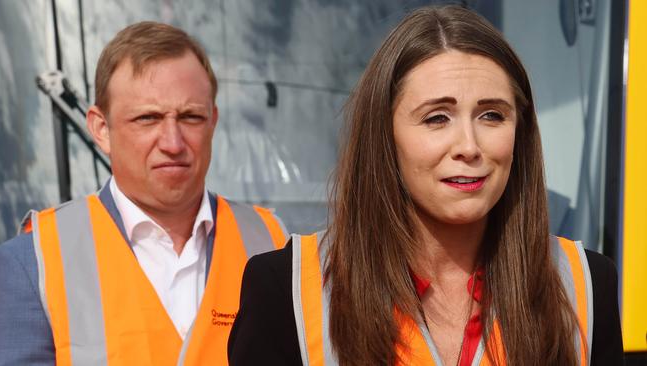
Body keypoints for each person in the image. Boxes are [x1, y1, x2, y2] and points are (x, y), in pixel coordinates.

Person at [228, 5, 623, 366]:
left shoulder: (586, 285)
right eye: (437, 118)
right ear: (384, 136)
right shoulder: (285, 291)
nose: (469, 146)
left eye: (491, 115)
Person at [0, 21, 288, 365]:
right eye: (148, 118)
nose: (173, 143)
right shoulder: (31, 265)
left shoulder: (274, 242)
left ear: (213, 121)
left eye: (191, 117)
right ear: (101, 129)